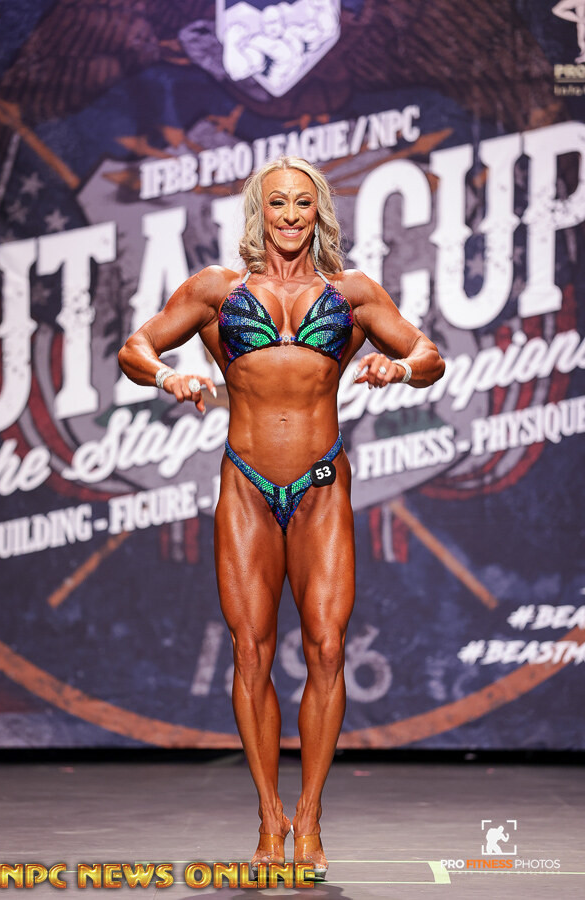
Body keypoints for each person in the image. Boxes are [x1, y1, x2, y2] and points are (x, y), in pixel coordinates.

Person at [118, 156, 445, 880]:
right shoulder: (216, 291)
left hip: (322, 486)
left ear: (318, 211)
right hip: (247, 486)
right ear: (258, 212)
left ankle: (312, 814)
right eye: (277, 204)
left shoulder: (352, 294)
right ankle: (270, 814)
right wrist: (170, 375)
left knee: (327, 651)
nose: (290, 216)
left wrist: (398, 368)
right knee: (251, 651)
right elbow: (134, 347)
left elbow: (429, 355)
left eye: (302, 203)